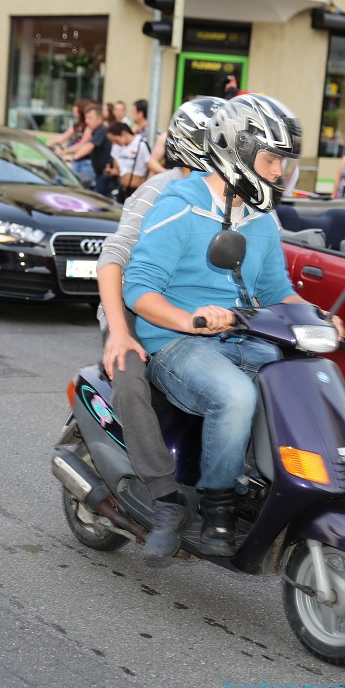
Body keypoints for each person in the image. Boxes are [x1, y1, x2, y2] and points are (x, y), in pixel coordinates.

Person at [123, 94, 341, 556]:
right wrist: (189, 318)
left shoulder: (260, 218)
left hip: (243, 337)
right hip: (177, 343)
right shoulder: (181, 204)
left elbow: (276, 289)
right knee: (236, 395)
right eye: (271, 159)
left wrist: (317, 318)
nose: (279, 172)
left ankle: (267, 482)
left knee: (302, 387)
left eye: (283, 162)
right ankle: (217, 505)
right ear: (235, 150)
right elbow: (138, 288)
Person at [95, 97, 225, 558]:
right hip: (135, 308)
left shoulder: (236, 194)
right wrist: (119, 331)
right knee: (130, 378)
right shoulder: (160, 191)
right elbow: (114, 256)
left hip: (198, 311)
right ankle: (165, 495)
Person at [64, 104, 113, 197]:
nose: (87, 121)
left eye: (90, 118)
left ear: (99, 118)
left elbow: (90, 146)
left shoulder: (102, 130)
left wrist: (73, 157)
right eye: (86, 118)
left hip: (106, 175)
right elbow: (85, 147)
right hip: (99, 174)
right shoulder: (95, 131)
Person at [104, 121, 150, 201]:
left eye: (116, 140)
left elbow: (150, 165)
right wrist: (112, 171)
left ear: (124, 133)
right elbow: (118, 169)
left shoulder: (140, 144)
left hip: (138, 190)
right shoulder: (117, 147)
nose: (115, 143)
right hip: (122, 189)